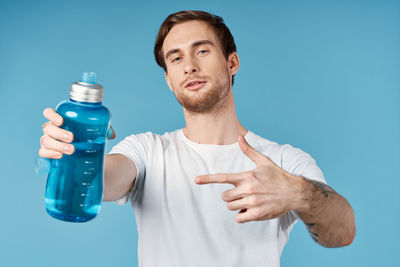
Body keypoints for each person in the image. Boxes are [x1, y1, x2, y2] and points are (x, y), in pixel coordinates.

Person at [38, 10, 356, 267]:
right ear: (168, 80)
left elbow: (343, 232)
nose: (189, 66)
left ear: (232, 62)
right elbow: (103, 181)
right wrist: (72, 152)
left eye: (202, 50)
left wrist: (300, 193)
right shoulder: (147, 151)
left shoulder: (283, 160)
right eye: (175, 58)